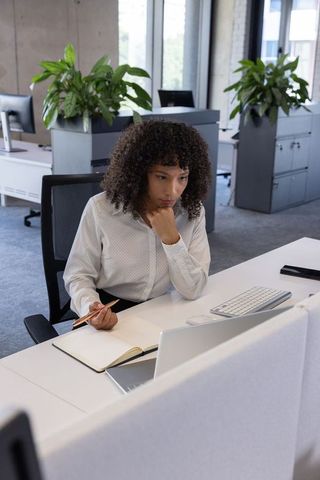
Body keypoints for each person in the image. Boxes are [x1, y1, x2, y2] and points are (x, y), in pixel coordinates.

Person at [64, 120, 211, 330]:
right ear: (140, 173)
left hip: (161, 312)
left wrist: (172, 240)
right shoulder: (101, 209)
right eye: (162, 177)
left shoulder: (192, 212)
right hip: (109, 311)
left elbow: (193, 289)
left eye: (183, 177)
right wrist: (91, 307)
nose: (173, 190)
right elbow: (77, 275)